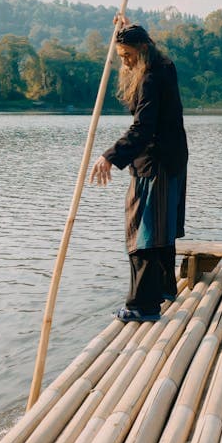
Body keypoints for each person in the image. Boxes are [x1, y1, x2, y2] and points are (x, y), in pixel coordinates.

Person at [90, 20, 188, 322]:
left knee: (144, 232)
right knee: (161, 227)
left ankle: (142, 306)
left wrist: (109, 156)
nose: (125, 62)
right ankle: (163, 290)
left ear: (143, 50)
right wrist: (124, 27)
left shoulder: (150, 78)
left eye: (128, 55)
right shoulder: (163, 66)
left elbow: (143, 128)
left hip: (156, 162)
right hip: (169, 158)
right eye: (120, 56)